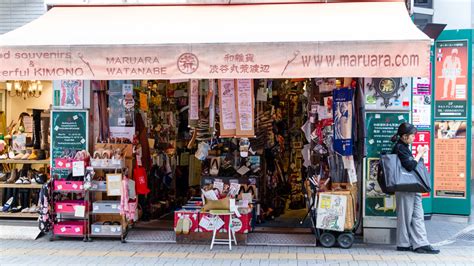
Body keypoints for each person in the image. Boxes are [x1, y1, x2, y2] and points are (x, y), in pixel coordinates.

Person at [391, 122, 440, 254]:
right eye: (412, 136)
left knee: (418, 215)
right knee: (405, 217)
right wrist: (420, 153)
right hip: (405, 187)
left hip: (412, 187)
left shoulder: (404, 147)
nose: (414, 138)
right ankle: (403, 243)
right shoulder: (399, 148)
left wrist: (418, 155)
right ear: (405, 136)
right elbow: (410, 166)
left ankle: (421, 243)